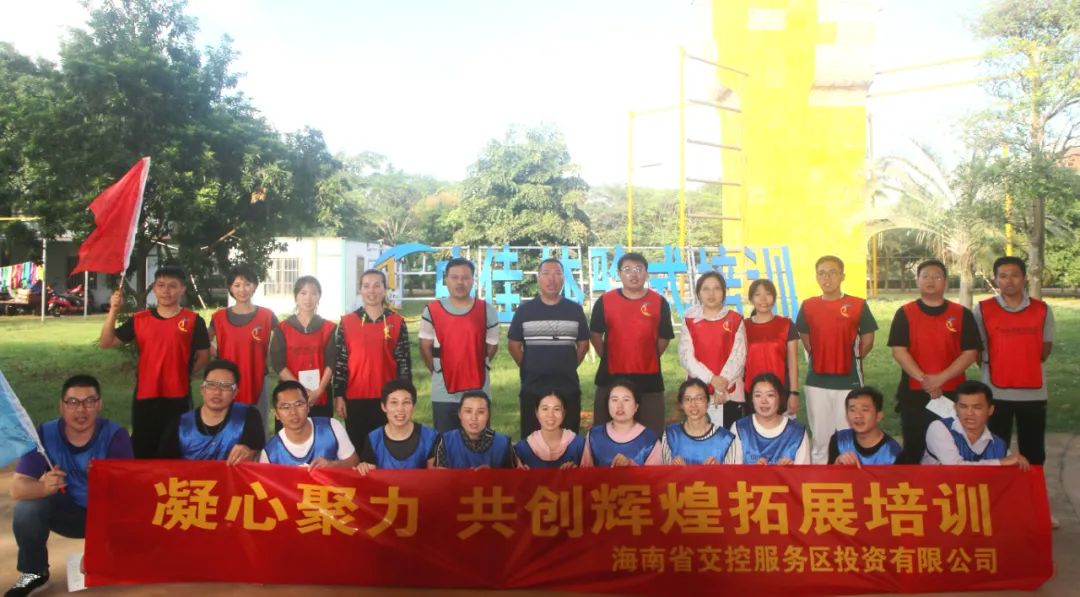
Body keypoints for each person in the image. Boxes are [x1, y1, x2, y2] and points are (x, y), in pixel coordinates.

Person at [7, 375, 133, 597]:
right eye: (73, 402)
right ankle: (34, 572)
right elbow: (17, 488)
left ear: (99, 404)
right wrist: (44, 488)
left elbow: (128, 494)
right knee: (27, 509)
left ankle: (113, 554)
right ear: (61, 405)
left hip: (106, 516)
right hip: (65, 513)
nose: (81, 410)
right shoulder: (44, 435)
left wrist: (95, 549)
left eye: (89, 402)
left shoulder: (115, 436)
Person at [99, 265, 210, 458]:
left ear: (182, 289)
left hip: (178, 395)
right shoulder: (140, 319)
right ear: (154, 289)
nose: (166, 291)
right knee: (143, 449)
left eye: (172, 286)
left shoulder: (193, 320)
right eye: (161, 285)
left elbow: (204, 355)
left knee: (175, 448)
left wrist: (186, 374)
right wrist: (113, 311)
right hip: (146, 394)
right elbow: (106, 342)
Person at [888, 259, 981, 464]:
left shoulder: (961, 314)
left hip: (952, 393)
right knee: (914, 448)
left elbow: (970, 353)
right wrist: (926, 381)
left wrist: (940, 379)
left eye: (937, 277)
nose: (931, 281)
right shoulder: (905, 313)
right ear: (918, 281)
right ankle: (914, 483)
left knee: (952, 448)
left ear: (946, 282)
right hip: (914, 393)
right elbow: (899, 351)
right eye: (926, 276)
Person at [972, 256, 1055, 466]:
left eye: (1015, 275)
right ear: (996, 279)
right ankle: (998, 486)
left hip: (1033, 392)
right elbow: (977, 351)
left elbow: (1045, 349)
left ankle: (1032, 486)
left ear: (1024, 278)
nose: (1009, 281)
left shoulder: (1042, 310)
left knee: (1034, 451)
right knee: (995, 450)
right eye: (1003, 276)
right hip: (995, 392)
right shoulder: (982, 309)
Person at [795, 255, 877, 464]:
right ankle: (819, 479)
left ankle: (848, 479)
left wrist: (851, 358)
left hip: (849, 381)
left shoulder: (857, 305)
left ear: (842, 276)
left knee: (847, 436)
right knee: (820, 438)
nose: (827, 278)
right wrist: (822, 355)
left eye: (832, 272)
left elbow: (868, 339)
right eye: (821, 273)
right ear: (816, 277)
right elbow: (805, 336)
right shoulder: (808, 306)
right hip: (817, 382)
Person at [590, 252, 674, 434]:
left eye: (639, 269)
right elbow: (595, 334)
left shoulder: (659, 302)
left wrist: (648, 355)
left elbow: (664, 337)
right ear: (619, 274)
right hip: (611, 376)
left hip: (649, 379)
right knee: (605, 433)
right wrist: (607, 356)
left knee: (651, 433)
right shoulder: (605, 301)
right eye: (627, 269)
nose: (633, 274)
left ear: (646, 273)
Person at [508, 258, 589, 436]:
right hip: (533, 386)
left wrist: (569, 364)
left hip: (567, 385)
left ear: (563, 279)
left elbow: (583, 344)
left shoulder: (575, 310)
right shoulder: (524, 311)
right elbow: (513, 345)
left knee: (568, 438)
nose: (551, 279)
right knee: (532, 439)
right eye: (546, 274)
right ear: (538, 278)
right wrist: (529, 365)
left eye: (557, 274)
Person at [334, 269, 412, 452]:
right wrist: (339, 395)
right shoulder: (347, 322)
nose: (372, 291)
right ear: (360, 290)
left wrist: (406, 397)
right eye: (366, 286)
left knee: (385, 450)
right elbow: (340, 363)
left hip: (388, 398)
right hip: (355, 397)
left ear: (385, 289)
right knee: (358, 450)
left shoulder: (396, 321)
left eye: (377, 285)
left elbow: (404, 364)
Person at [419, 258, 499, 432]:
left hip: (478, 389)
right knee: (445, 441)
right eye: (454, 277)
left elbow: (492, 346)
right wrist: (439, 370)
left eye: (465, 277)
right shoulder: (432, 310)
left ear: (473, 280)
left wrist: (474, 363)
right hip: (443, 391)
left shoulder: (487, 310)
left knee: (479, 441)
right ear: (446, 280)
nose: (460, 282)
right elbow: (424, 347)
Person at [157, 359, 265, 463]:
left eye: (226, 386)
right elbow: (163, 465)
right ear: (202, 389)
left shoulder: (248, 416)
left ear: (235, 393)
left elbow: (257, 450)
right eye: (211, 385)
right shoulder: (181, 424)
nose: (217, 392)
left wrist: (249, 451)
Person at [209, 265, 277, 425]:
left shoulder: (266, 315)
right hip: (227, 381)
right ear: (230, 288)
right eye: (237, 285)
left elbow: (283, 339)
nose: (242, 289)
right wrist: (217, 353)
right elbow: (204, 341)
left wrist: (271, 353)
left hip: (258, 378)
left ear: (254, 286)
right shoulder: (219, 317)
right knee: (229, 425)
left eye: (247, 284)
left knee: (257, 424)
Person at [678, 271, 746, 428]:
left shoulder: (735, 319)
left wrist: (721, 387)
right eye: (706, 289)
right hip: (697, 389)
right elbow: (686, 357)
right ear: (698, 293)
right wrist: (711, 379)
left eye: (716, 288)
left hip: (730, 390)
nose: (711, 294)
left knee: (730, 435)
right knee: (699, 434)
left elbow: (739, 356)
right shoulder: (689, 320)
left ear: (724, 292)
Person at [270, 276, 336, 422]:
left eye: (314, 293)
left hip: (320, 395)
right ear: (296, 296)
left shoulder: (328, 328)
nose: (308, 298)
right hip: (290, 394)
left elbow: (331, 362)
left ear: (319, 297)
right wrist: (300, 390)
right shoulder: (282, 328)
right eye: (303, 293)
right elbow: (278, 364)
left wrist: (319, 391)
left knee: (320, 432)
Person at [922, 380, 1031, 469]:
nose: (969, 413)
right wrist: (1000, 462)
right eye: (963, 407)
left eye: (977, 407)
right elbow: (954, 467)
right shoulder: (939, 428)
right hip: (936, 489)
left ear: (990, 410)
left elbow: (1013, 463)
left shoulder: (998, 445)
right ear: (955, 408)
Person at [260, 381, 358, 468]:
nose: (293, 412)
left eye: (299, 404)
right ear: (276, 414)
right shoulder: (270, 453)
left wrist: (333, 465)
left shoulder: (331, 427)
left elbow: (354, 462)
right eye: (285, 407)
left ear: (308, 407)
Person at [743, 279, 800, 415]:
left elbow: (793, 362)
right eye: (757, 295)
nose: (763, 299)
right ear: (751, 299)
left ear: (774, 298)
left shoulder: (786, 324)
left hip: (780, 390)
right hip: (752, 392)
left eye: (768, 294)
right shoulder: (743, 327)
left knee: (782, 427)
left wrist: (794, 393)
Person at [356, 379, 437, 474]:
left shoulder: (430, 437)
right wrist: (363, 468)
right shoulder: (374, 439)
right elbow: (370, 477)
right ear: (384, 407)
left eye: (406, 402)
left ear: (413, 406)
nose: (400, 409)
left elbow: (435, 478)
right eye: (394, 402)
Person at [728, 373, 810, 465]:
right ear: (751, 398)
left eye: (770, 395)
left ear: (780, 397)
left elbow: (804, 472)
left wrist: (789, 471)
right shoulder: (740, 429)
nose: (764, 401)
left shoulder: (797, 433)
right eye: (758, 395)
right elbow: (732, 470)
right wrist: (752, 471)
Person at [581, 380, 661, 467]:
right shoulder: (594, 436)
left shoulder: (650, 440)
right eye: (614, 400)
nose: (619, 406)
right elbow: (584, 472)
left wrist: (630, 465)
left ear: (636, 406)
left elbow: (656, 474)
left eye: (626, 400)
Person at [660, 378, 736, 465]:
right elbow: (664, 472)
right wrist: (675, 469)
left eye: (699, 398)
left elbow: (733, 473)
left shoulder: (726, 439)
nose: (693, 404)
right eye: (687, 399)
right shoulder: (670, 435)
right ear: (681, 404)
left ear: (707, 402)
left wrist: (718, 470)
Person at [433, 391, 515, 469]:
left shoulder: (503, 444)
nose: (474, 418)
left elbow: (512, 476)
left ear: (488, 415)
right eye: (468, 411)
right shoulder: (446, 442)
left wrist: (491, 474)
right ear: (459, 414)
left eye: (481, 412)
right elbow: (440, 476)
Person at [828, 387, 901, 466]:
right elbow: (828, 472)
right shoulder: (839, 441)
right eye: (852, 410)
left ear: (879, 416)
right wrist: (836, 464)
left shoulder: (893, 453)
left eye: (865, 410)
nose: (858, 415)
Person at [514, 391, 586, 469]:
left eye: (556, 409)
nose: (550, 415)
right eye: (545, 409)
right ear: (537, 413)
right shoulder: (522, 449)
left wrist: (577, 471)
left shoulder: (580, 446)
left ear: (564, 413)